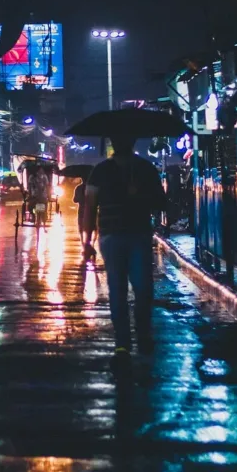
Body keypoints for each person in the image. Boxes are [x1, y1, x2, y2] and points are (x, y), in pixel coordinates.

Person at [82, 135, 166, 356]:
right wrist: (87, 241)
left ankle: (140, 335)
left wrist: (140, 194)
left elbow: (160, 201)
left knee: (139, 288)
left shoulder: (143, 169)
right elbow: (89, 208)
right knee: (124, 289)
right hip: (116, 237)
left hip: (133, 235)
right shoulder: (101, 171)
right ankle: (124, 341)